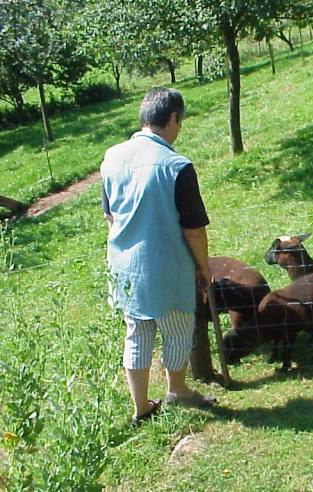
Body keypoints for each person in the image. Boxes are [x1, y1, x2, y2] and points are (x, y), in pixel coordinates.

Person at [101, 87, 215, 426]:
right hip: (166, 266)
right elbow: (193, 229)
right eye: (180, 122)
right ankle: (176, 390)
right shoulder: (176, 165)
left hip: (123, 264)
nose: (179, 129)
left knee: (136, 333)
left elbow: (109, 215)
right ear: (172, 118)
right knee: (178, 329)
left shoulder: (112, 157)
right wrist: (204, 267)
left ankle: (141, 408)